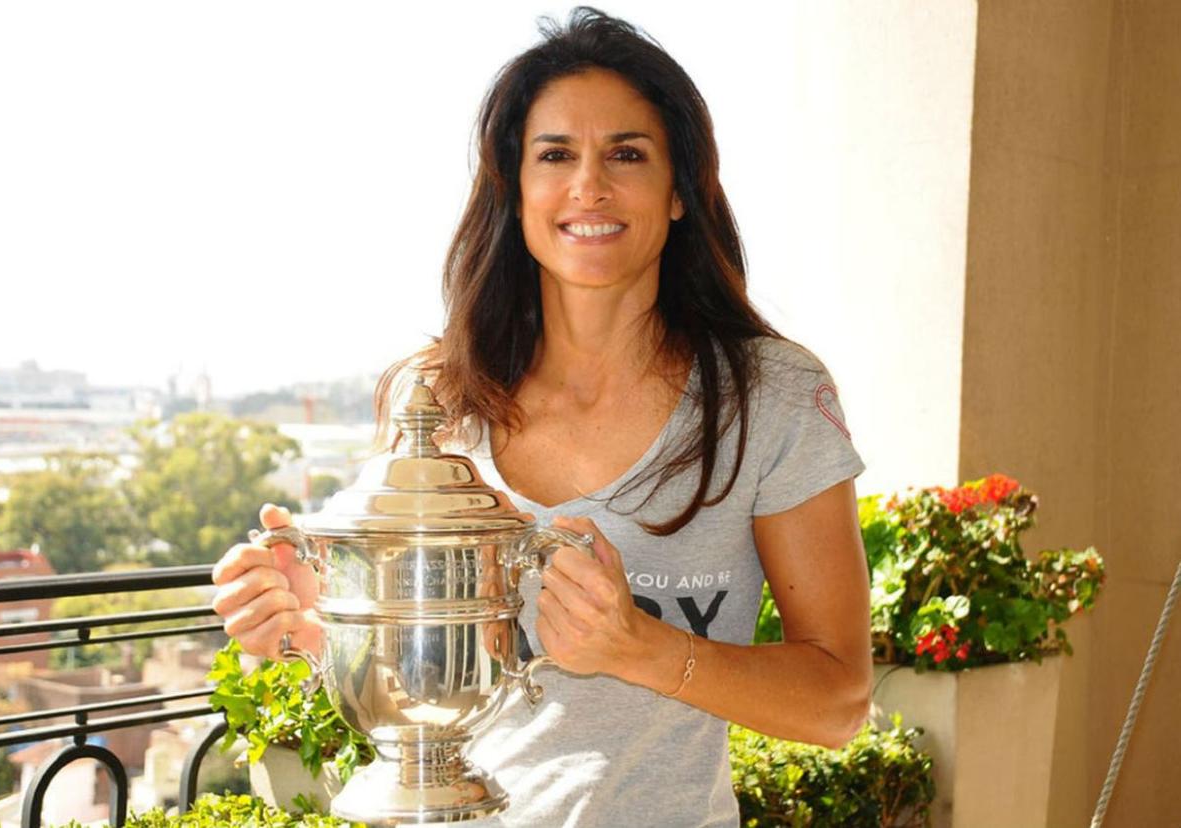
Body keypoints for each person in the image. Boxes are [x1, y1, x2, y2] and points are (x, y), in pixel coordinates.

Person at [211, 7, 871, 826]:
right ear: (515, 190)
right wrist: (321, 629)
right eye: (554, 154)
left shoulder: (768, 396)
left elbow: (839, 702)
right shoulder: (435, 400)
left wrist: (642, 649)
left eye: (626, 154)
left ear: (679, 194)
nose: (588, 186)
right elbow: (418, 698)